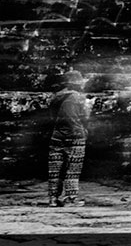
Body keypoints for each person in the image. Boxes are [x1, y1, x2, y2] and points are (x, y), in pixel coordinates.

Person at [45, 69, 90, 206]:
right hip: (75, 135)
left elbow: (51, 118)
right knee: (73, 168)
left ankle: (53, 198)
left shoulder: (55, 97)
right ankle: (70, 198)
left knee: (55, 168)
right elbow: (84, 118)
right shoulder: (79, 98)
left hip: (57, 135)